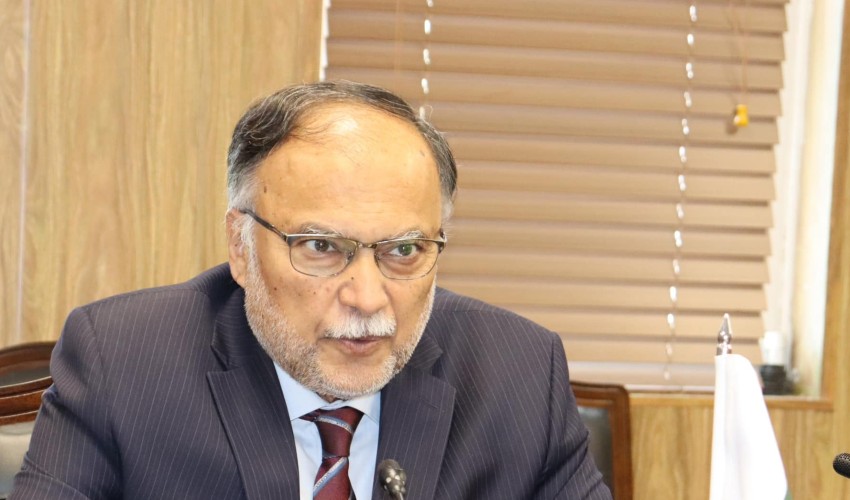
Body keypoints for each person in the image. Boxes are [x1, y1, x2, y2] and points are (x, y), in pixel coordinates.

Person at [11, 81, 611, 499]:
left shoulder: (519, 374)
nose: (368, 299)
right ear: (241, 246)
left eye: (403, 251)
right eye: (322, 247)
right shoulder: (123, 361)